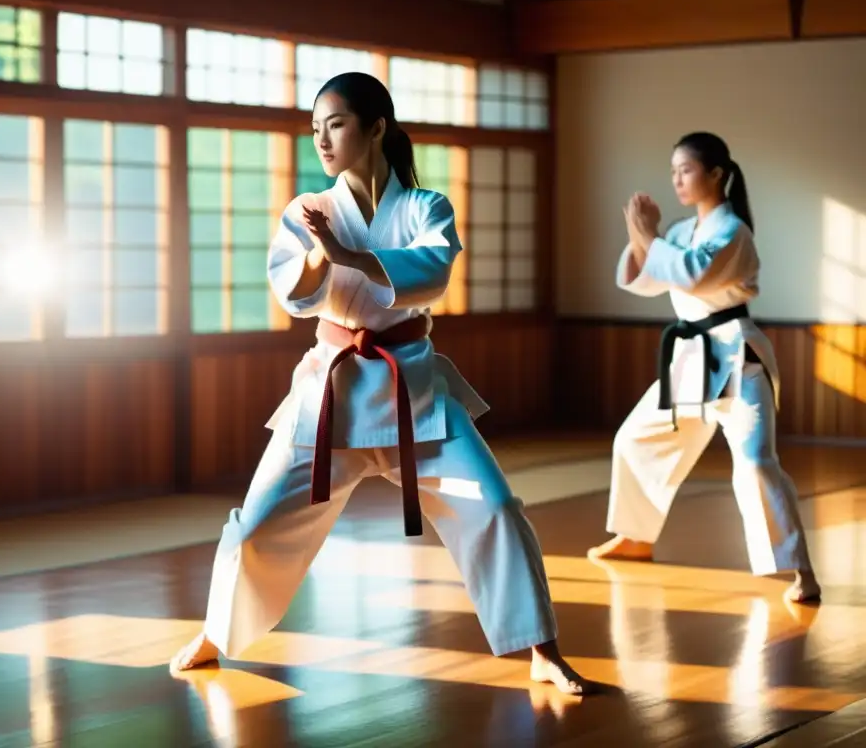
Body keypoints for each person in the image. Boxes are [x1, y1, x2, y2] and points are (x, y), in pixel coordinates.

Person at [169, 72, 595, 696]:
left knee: (496, 508)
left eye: (335, 124)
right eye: (314, 129)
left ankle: (542, 649)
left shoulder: (427, 208)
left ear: (376, 128)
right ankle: (217, 630)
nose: (321, 139)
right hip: (330, 393)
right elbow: (296, 294)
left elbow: (430, 273)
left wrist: (352, 256)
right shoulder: (309, 210)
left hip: (414, 394)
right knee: (258, 524)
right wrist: (323, 252)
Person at [587, 131, 821, 604]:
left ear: (716, 173)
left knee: (756, 462)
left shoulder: (733, 231)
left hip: (737, 355)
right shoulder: (679, 231)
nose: (676, 178)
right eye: (672, 170)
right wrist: (642, 236)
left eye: (686, 169)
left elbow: (691, 273)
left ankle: (802, 570)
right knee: (635, 438)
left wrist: (648, 236)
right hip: (692, 355)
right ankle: (636, 536)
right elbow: (647, 279)